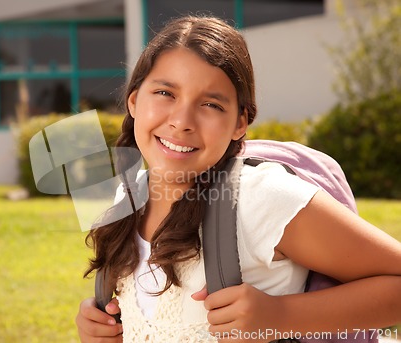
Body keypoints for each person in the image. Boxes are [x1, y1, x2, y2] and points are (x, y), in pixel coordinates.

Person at [75, 15, 401, 342]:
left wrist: (281, 316)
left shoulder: (260, 197)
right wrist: (102, 327)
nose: (182, 121)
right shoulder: (126, 198)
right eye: (165, 93)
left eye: (211, 104)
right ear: (134, 101)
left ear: (239, 123)